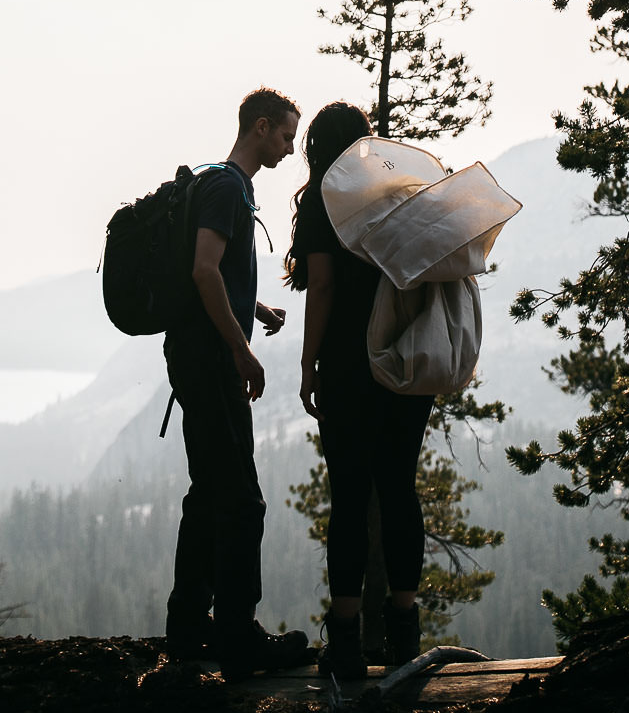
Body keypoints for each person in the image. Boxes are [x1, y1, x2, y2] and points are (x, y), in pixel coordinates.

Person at [164, 87, 311, 682]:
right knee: (242, 500)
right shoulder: (227, 187)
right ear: (259, 127)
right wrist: (241, 348)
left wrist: (255, 307)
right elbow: (203, 271)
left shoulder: (221, 184)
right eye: (283, 136)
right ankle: (237, 636)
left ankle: (187, 627)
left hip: (197, 358)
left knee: (207, 493)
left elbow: (218, 273)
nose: (287, 148)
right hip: (210, 362)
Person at [285, 101, 433, 680]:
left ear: (316, 149)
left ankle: (344, 642)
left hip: (348, 366)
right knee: (400, 489)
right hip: (400, 359)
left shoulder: (324, 200)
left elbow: (320, 286)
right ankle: (404, 635)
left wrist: (307, 365)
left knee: (349, 496)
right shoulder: (396, 195)